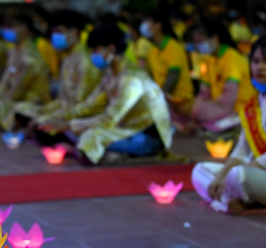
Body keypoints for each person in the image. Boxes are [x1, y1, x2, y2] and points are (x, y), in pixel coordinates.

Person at [38, 23, 172, 165]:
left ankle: (89, 152)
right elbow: (89, 106)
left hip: (146, 137)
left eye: (96, 50)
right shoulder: (110, 75)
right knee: (74, 130)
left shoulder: (132, 79)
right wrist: (57, 118)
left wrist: (68, 125)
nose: (92, 56)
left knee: (91, 135)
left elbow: (110, 119)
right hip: (122, 130)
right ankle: (94, 152)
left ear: (111, 49)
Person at [191, 35, 266, 214]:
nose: (259, 67)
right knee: (200, 171)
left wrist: (230, 175)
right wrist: (222, 174)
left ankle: (233, 200)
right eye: (255, 61)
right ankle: (235, 201)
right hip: (256, 171)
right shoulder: (252, 104)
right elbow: (240, 151)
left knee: (238, 175)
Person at [29, 11, 102, 145]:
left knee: (45, 126)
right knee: (31, 114)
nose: (54, 36)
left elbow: (82, 105)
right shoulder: (68, 58)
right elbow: (62, 99)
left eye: (59, 31)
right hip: (68, 112)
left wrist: (53, 117)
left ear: (73, 33)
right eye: (53, 32)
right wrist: (43, 112)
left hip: (83, 117)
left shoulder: (85, 62)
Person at [0, 14, 50, 131]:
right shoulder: (13, 51)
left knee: (0, 108)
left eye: (11, 27)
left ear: (25, 29)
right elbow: (5, 82)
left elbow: (18, 90)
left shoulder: (30, 57)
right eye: (6, 27)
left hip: (30, 101)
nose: (7, 31)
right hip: (13, 97)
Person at [188, 19, 255, 133]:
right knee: (196, 108)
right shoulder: (209, 60)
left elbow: (229, 98)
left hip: (237, 109)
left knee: (201, 111)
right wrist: (198, 104)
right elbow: (204, 92)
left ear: (215, 38)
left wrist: (205, 106)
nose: (198, 46)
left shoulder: (231, 57)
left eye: (201, 41)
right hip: (220, 107)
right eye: (196, 42)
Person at [140, 10, 194, 128]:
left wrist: (159, 97)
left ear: (158, 26)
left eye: (147, 22)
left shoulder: (172, 46)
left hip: (179, 101)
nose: (144, 26)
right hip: (164, 99)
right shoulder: (153, 51)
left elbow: (173, 76)